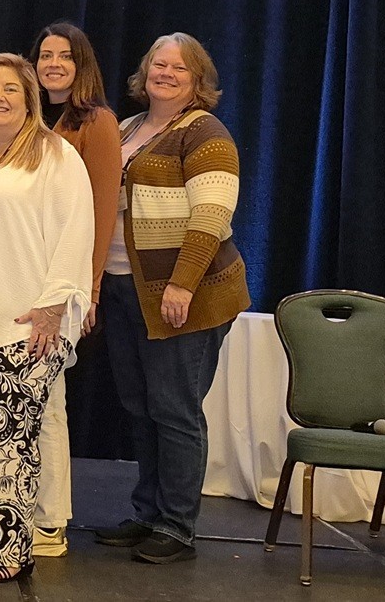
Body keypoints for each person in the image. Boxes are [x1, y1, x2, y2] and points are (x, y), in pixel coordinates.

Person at [93, 33, 249, 564]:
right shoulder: (128, 127)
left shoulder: (206, 133)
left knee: (175, 410)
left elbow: (211, 215)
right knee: (141, 408)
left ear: (198, 79)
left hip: (184, 293)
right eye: (158, 64)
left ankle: (178, 527)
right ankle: (148, 513)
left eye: (178, 68)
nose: (165, 73)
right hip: (122, 287)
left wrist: (181, 283)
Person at [0, 53, 94, 584]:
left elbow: (77, 230)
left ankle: (6, 552)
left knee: (8, 443)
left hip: (24, 319)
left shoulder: (55, 155)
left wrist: (55, 305)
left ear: (29, 99)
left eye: (10, 90)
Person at [25, 21, 122, 557]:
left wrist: (89, 291)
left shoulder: (97, 122)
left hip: (66, 287)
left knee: (49, 403)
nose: (53, 64)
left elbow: (101, 212)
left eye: (65, 56)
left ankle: (51, 519)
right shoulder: (39, 119)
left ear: (82, 64)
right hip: (30, 278)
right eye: (45, 55)